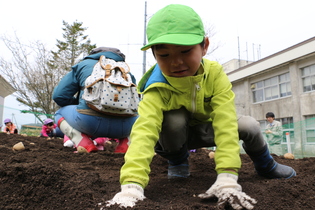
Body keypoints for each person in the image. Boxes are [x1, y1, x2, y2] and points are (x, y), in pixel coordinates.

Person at [106, 4, 296, 210]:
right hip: (171, 139)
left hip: (206, 130)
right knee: (173, 120)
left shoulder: (214, 74)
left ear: (204, 46)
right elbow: (143, 132)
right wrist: (131, 184)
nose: (176, 62)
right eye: (164, 55)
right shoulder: (156, 86)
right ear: (154, 55)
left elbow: (224, 122)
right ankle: (178, 162)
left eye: (186, 51)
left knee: (249, 125)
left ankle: (266, 165)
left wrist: (228, 175)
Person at [53, 47, 138, 153]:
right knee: (138, 118)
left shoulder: (84, 65)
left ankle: (82, 142)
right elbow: (136, 101)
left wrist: (80, 105)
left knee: (59, 113)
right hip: (124, 126)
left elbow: (59, 96)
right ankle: (125, 144)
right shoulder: (125, 70)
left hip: (89, 122)